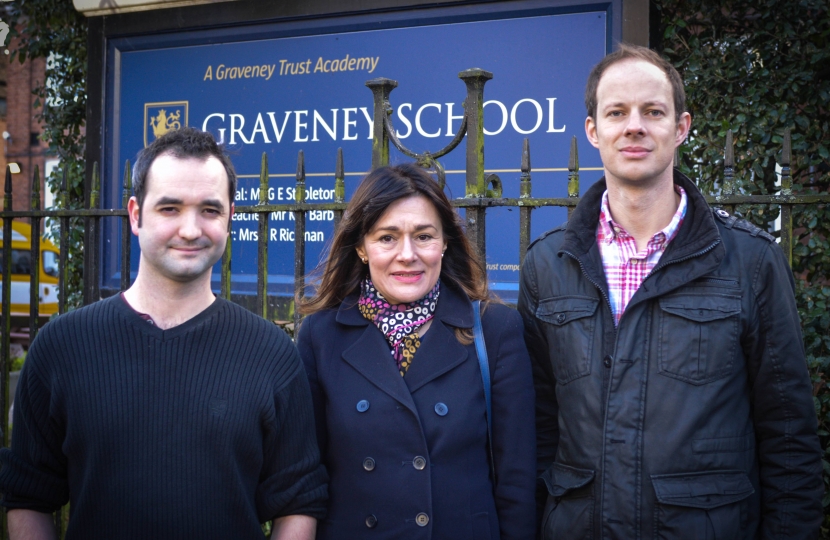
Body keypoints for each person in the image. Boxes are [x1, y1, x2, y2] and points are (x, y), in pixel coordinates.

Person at [518, 44, 822, 539]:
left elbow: (788, 439)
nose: (634, 126)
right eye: (616, 112)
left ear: (681, 127)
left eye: (652, 111)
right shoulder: (547, 265)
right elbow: (537, 429)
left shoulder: (750, 261)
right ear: (594, 130)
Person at [0, 127, 328, 539]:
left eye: (209, 210)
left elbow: (297, 502)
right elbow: (29, 496)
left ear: (229, 218)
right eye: (170, 208)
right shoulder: (61, 347)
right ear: (136, 215)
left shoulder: (272, 354)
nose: (190, 230)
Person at [297, 163, 536, 539]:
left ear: (445, 243)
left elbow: (517, 482)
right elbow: (306, 476)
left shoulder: (494, 330)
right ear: (361, 247)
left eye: (423, 236)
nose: (407, 254)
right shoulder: (322, 335)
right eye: (387, 238)